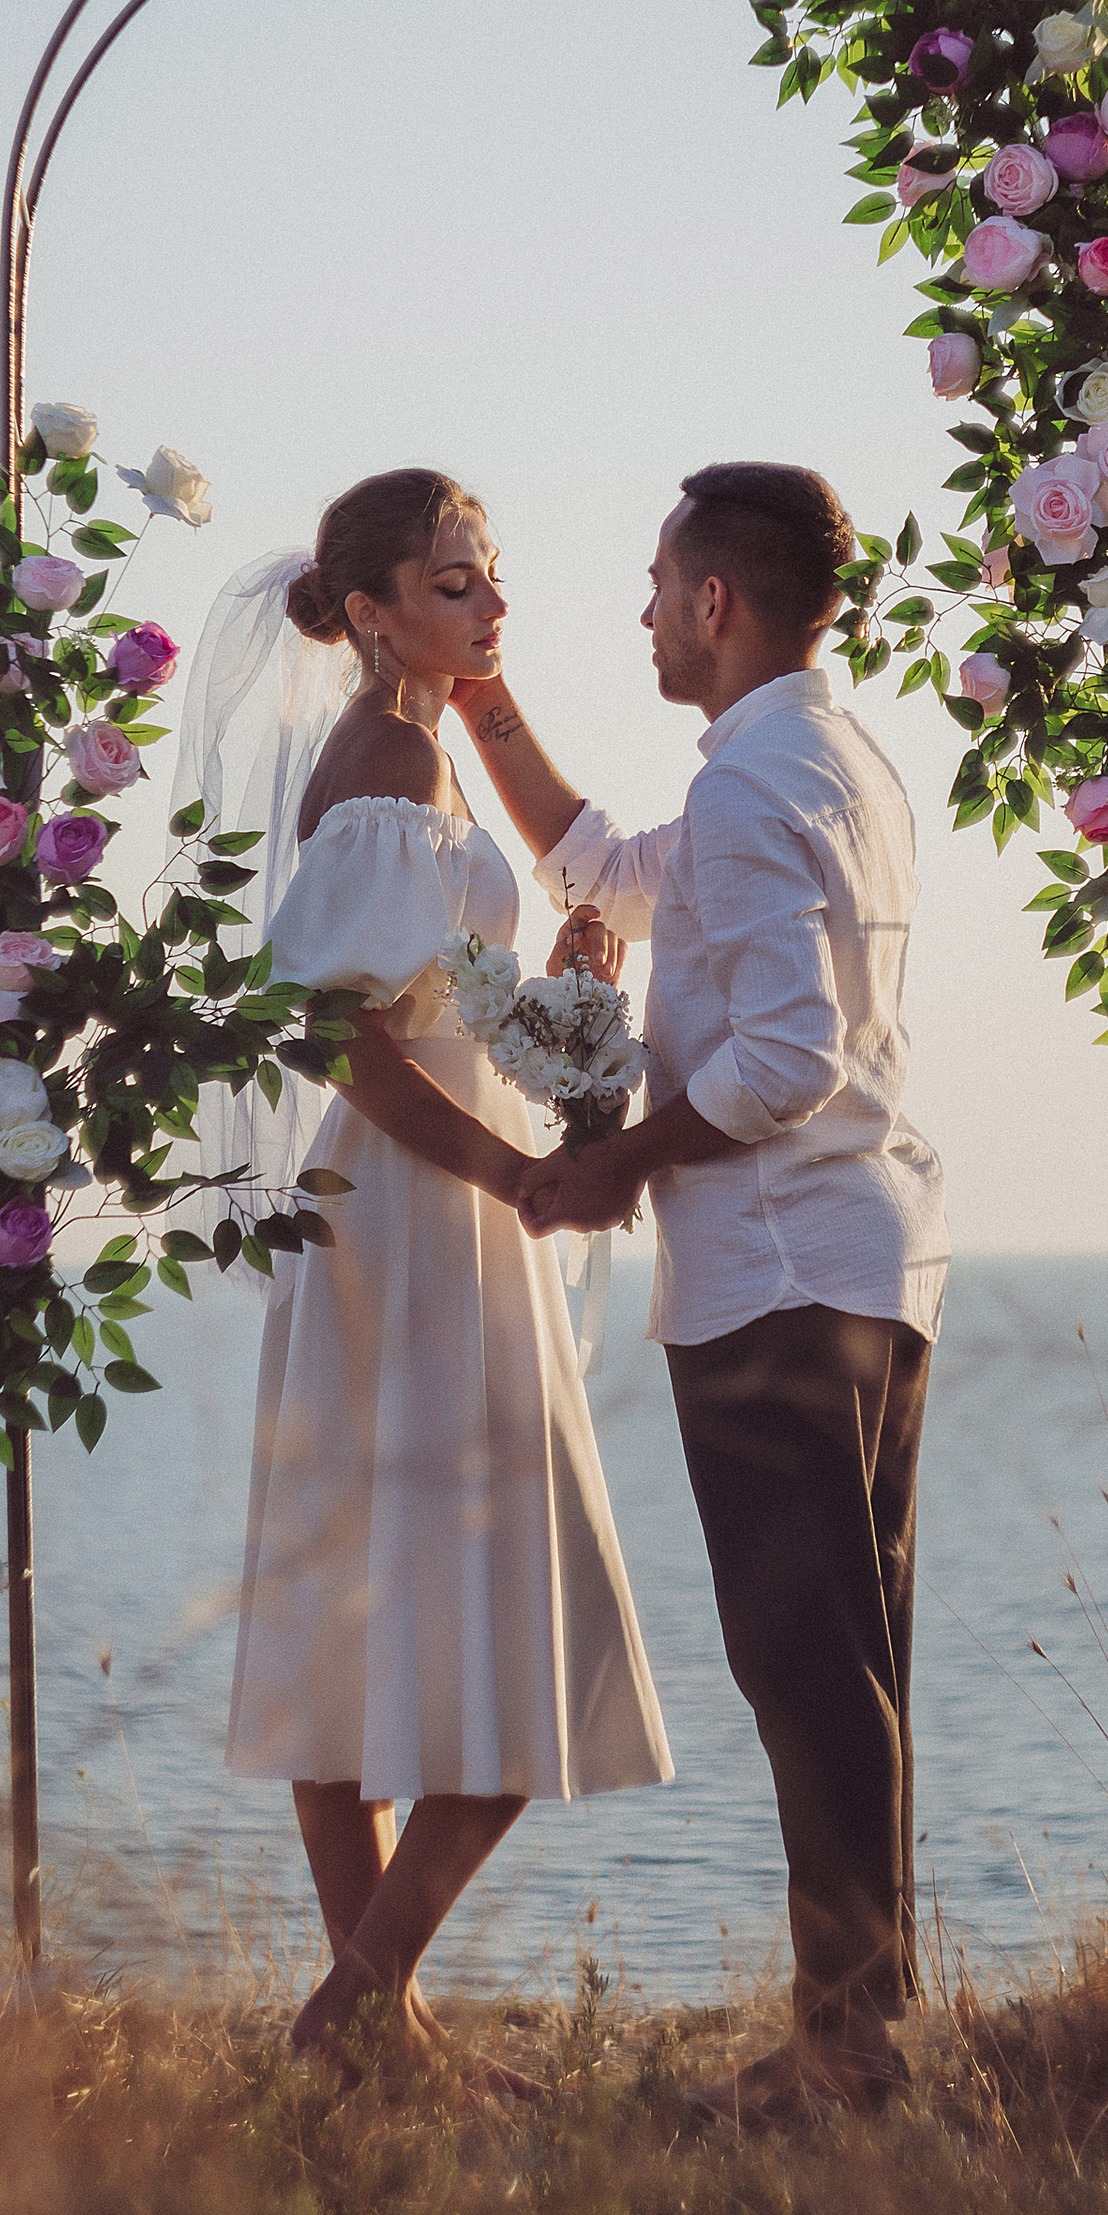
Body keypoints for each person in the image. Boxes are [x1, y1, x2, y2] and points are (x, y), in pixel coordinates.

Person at [457, 462, 947, 2124]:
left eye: (662, 588)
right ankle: (861, 2023)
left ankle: (847, 2048)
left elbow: (788, 1058)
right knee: (850, 1654)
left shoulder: (751, 789)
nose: (649, 614)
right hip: (869, 1255)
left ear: (716, 603)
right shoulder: (833, 758)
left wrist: (624, 1163)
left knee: (805, 1662)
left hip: (780, 1273)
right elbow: (604, 868)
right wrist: (489, 698)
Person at [191, 469, 672, 2085]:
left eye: (492, 576)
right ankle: (354, 2017)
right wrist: (505, 1172)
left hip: (412, 1204)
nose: (492, 606)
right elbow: (335, 1032)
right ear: (373, 612)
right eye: (455, 583)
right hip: (420, 1219)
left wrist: (563, 992)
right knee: (514, 1621)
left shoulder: (421, 755)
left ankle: (379, 2030)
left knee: (361, 1625)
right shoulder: (391, 761)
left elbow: (434, 1013)